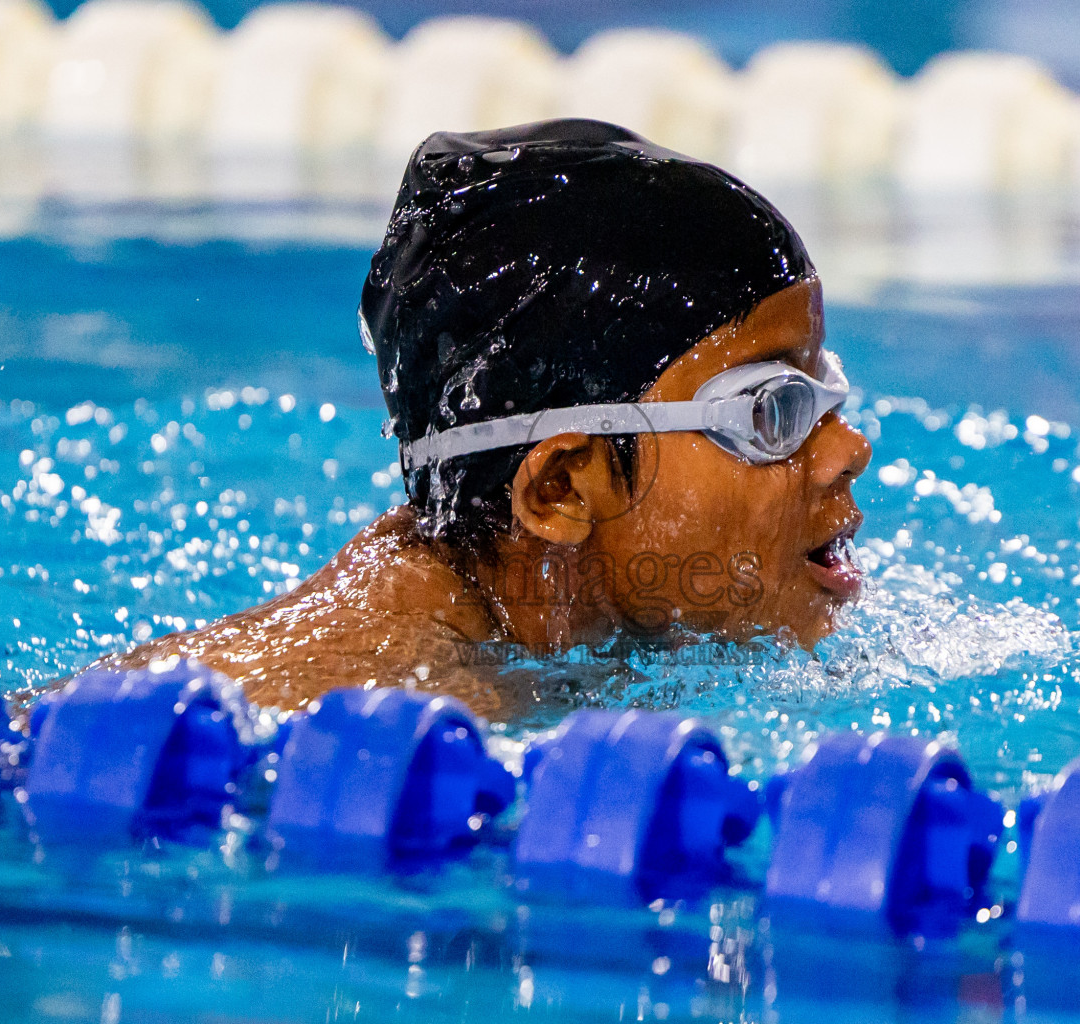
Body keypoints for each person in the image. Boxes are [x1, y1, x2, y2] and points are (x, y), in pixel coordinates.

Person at [100, 119, 871, 718]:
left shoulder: (540, 630)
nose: (849, 449)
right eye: (771, 411)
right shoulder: (387, 709)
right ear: (562, 488)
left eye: (822, 391)